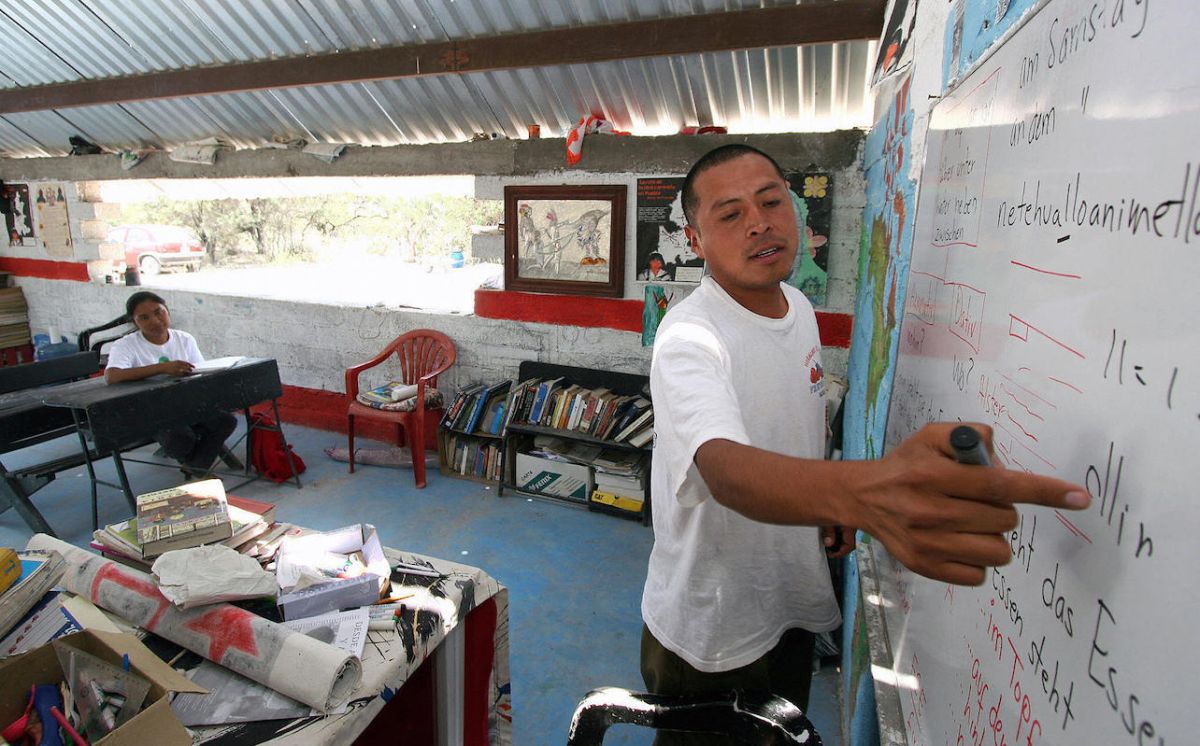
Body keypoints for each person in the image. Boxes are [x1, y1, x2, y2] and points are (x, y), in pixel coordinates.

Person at [639, 144, 1090, 739]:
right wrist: (857, 494)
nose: (759, 222)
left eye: (772, 201)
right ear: (694, 240)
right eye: (729, 214)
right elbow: (725, 468)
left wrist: (827, 501)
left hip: (790, 600)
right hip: (714, 629)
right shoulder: (689, 338)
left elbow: (794, 418)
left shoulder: (797, 306)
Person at [104, 291, 237, 476]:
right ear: (135, 322)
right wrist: (162, 368)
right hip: (149, 408)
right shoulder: (125, 345)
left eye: (159, 312)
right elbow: (112, 376)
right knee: (179, 440)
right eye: (144, 318)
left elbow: (199, 372)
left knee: (225, 420)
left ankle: (196, 466)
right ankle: (198, 467)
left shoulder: (184, 339)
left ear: (168, 311)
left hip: (184, 402)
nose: (155, 321)